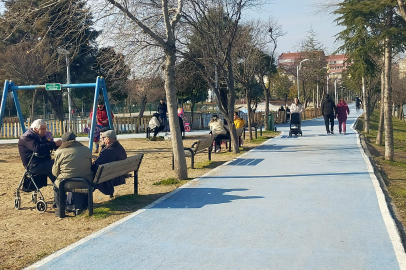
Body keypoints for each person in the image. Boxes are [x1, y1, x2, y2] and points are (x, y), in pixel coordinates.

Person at [52, 132, 93, 216]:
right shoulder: (86, 149)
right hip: (86, 181)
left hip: (67, 182)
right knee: (78, 177)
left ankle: (61, 209)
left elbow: (55, 172)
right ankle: (79, 207)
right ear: (75, 140)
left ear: (63, 142)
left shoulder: (59, 152)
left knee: (56, 186)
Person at [18, 119, 62, 185]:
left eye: (45, 128)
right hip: (33, 166)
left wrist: (61, 146)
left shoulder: (40, 136)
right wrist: (54, 144)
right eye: (42, 129)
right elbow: (37, 148)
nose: (45, 131)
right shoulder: (27, 137)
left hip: (43, 162)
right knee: (57, 164)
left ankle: (60, 190)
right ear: (35, 129)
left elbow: (47, 145)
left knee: (57, 176)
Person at [92, 130, 127, 197]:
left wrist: (93, 163)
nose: (102, 140)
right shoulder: (119, 147)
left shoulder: (109, 150)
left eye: (103, 138)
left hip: (109, 175)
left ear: (108, 139)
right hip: (117, 173)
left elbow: (97, 165)